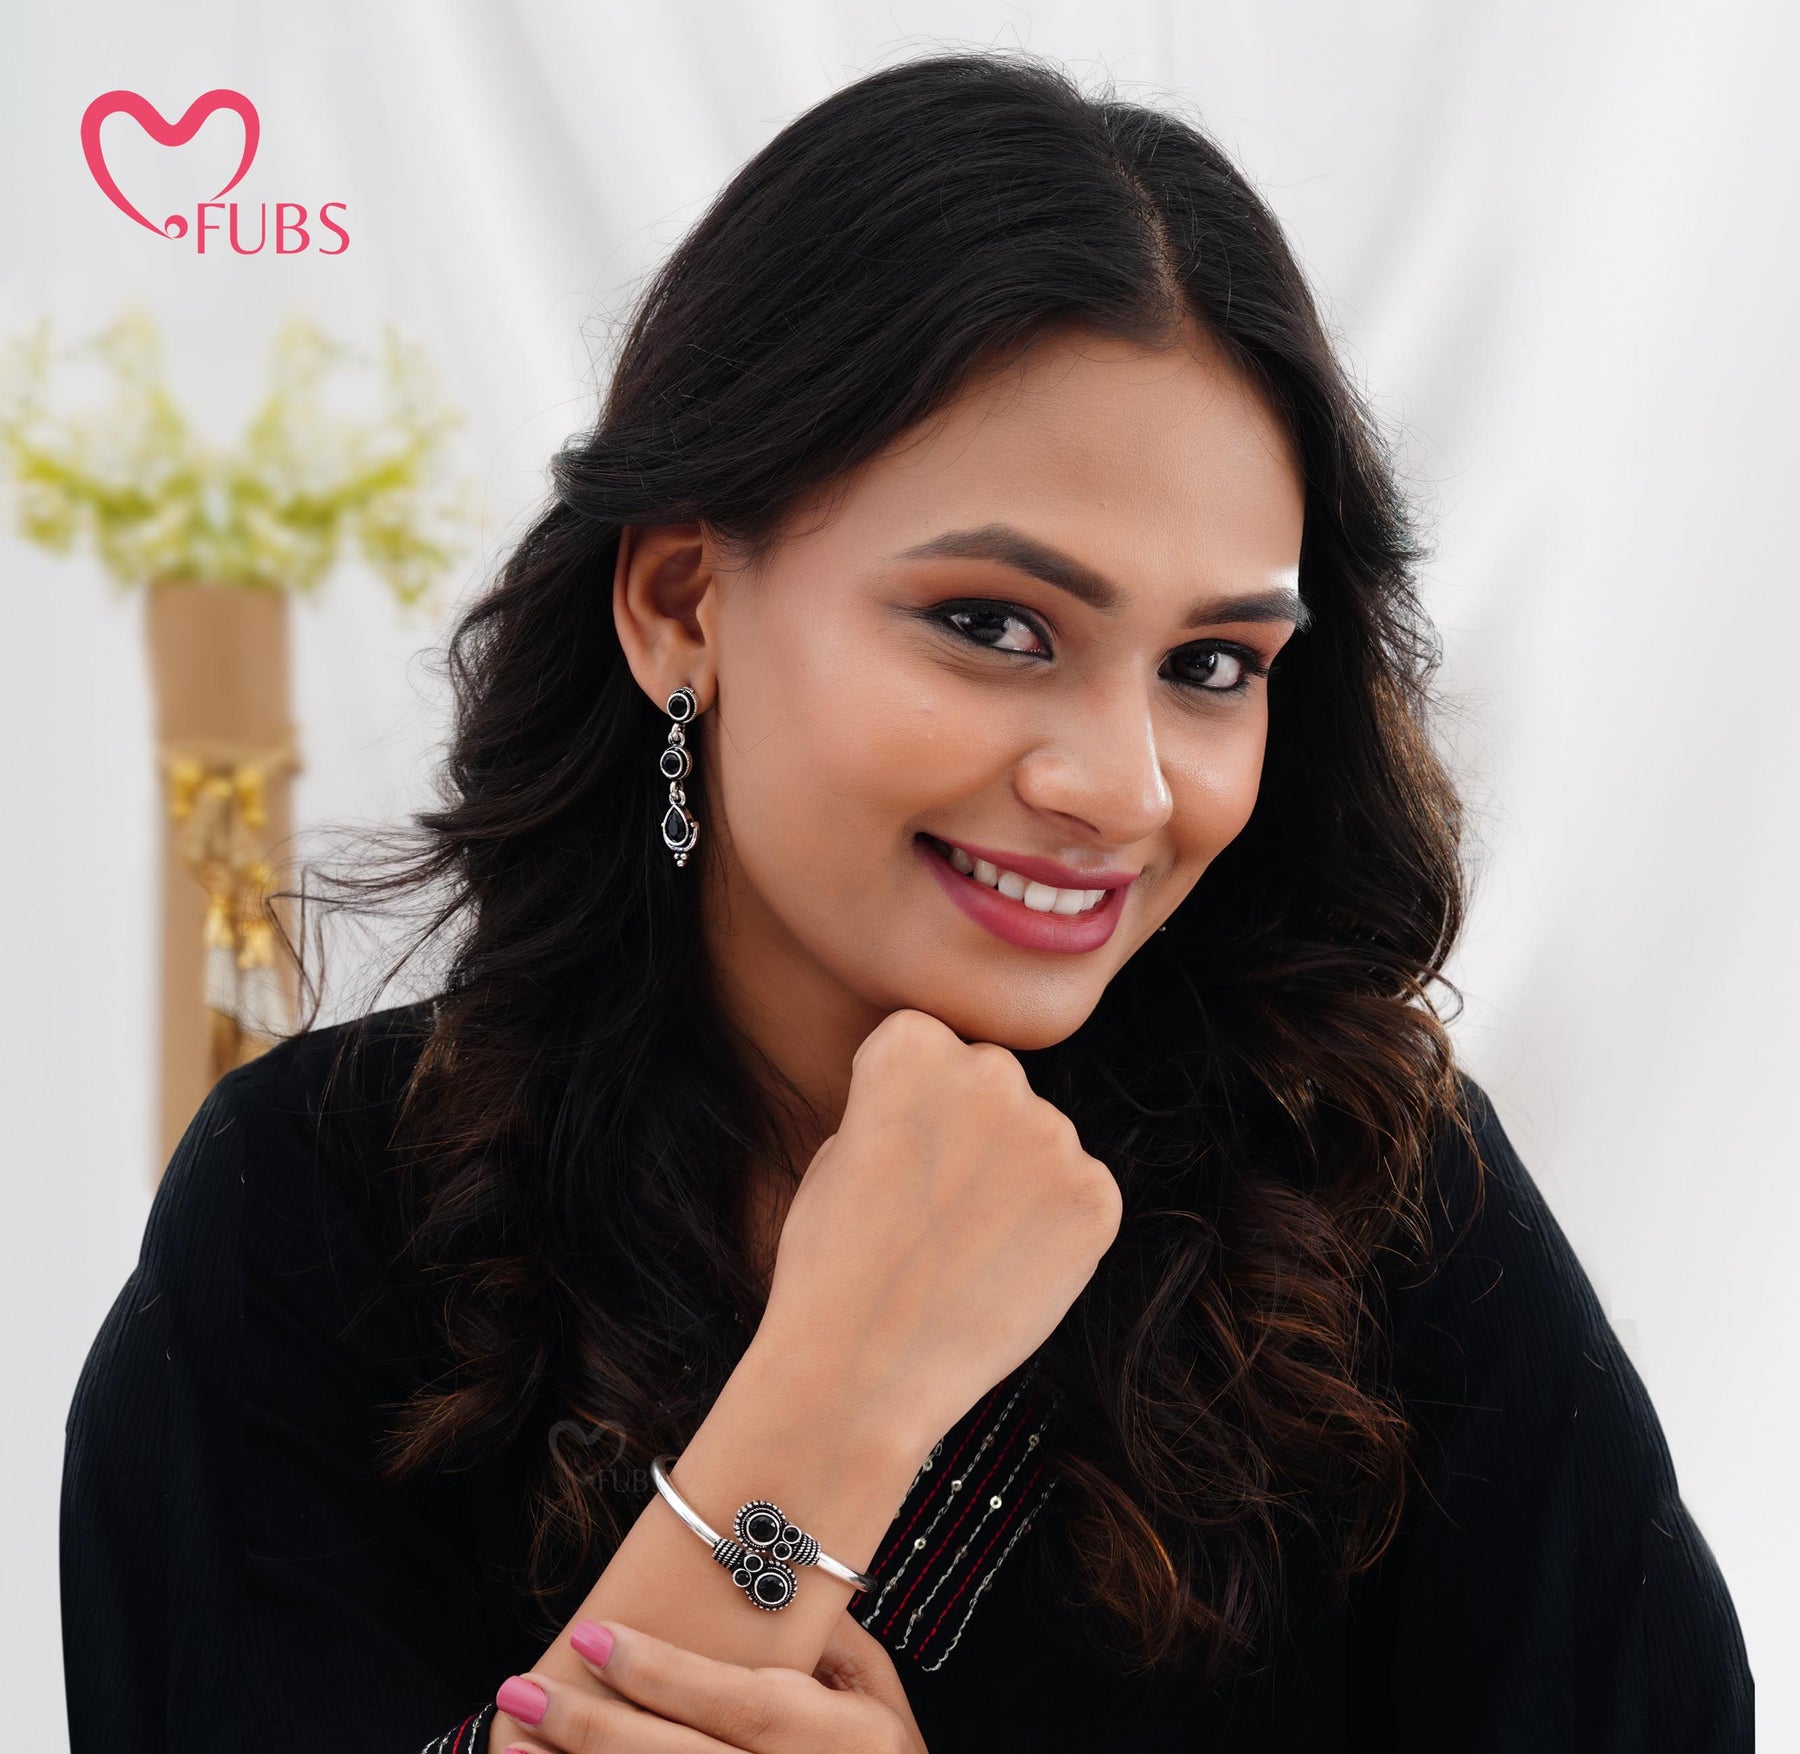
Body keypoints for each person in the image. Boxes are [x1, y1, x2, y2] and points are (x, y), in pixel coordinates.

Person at [59, 49, 1753, 1754]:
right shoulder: (320, 1212)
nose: (1125, 787)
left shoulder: (1373, 1202)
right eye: (996, 625)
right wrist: (850, 1372)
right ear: (681, 603)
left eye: (1212, 663)